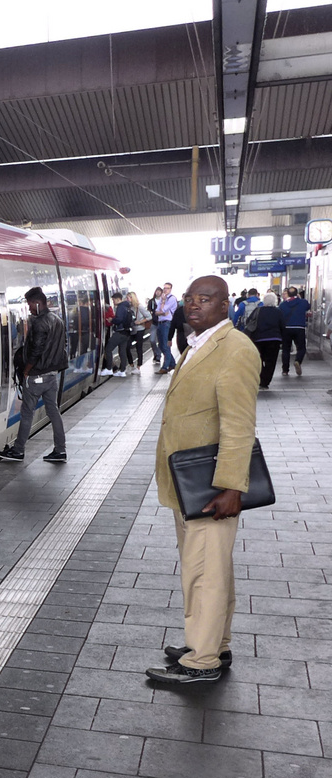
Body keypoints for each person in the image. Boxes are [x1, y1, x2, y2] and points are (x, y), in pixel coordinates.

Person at [147, 275, 259, 685]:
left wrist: (232, 487)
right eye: (191, 299)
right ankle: (215, 643)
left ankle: (202, 661)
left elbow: (239, 425)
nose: (194, 305)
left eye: (205, 299)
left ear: (225, 303)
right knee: (212, 569)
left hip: (211, 486)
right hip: (190, 483)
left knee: (204, 572)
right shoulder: (198, 344)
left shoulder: (234, 349)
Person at [0, 286, 67, 463]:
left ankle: (18, 450)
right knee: (54, 412)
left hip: (36, 376)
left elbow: (36, 350)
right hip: (52, 375)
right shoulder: (57, 320)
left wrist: (27, 370)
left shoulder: (39, 323)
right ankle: (60, 450)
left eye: (29, 304)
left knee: (27, 413)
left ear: (37, 303)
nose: (28, 308)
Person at [245, 292, 285, 390]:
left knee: (259, 360)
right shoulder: (278, 311)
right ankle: (265, 382)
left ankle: (259, 377)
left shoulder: (258, 310)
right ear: (275, 301)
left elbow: (248, 321)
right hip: (274, 340)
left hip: (258, 339)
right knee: (271, 362)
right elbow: (282, 325)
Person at [99, 292, 133, 376]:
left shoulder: (120, 307)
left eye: (113, 300)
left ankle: (109, 368)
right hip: (127, 332)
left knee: (108, 349)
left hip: (120, 332)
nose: (113, 301)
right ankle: (122, 371)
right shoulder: (127, 306)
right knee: (122, 351)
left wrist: (112, 320)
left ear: (118, 299)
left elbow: (119, 319)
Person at [281, 285, 311, 376]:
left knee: (286, 349)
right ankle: (298, 361)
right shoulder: (303, 302)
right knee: (301, 348)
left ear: (288, 294)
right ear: (297, 294)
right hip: (299, 328)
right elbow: (308, 307)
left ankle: (285, 370)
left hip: (286, 328)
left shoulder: (282, 304)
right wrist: (299, 298)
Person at [155, 281, 178, 373]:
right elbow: (157, 311)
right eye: (164, 288)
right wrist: (162, 311)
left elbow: (164, 309)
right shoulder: (161, 298)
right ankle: (172, 364)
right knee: (161, 345)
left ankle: (165, 367)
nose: (165, 290)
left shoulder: (172, 299)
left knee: (166, 345)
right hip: (160, 322)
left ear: (170, 289)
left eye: (167, 288)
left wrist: (163, 303)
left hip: (167, 323)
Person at [127, 290, 148, 367]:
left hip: (139, 329)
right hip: (132, 329)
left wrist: (140, 322)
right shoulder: (129, 307)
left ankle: (139, 365)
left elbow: (149, 316)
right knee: (127, 346)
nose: (127, 299)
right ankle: (131, 363)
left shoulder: (139, 306)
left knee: (138, 347)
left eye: (128, 298)